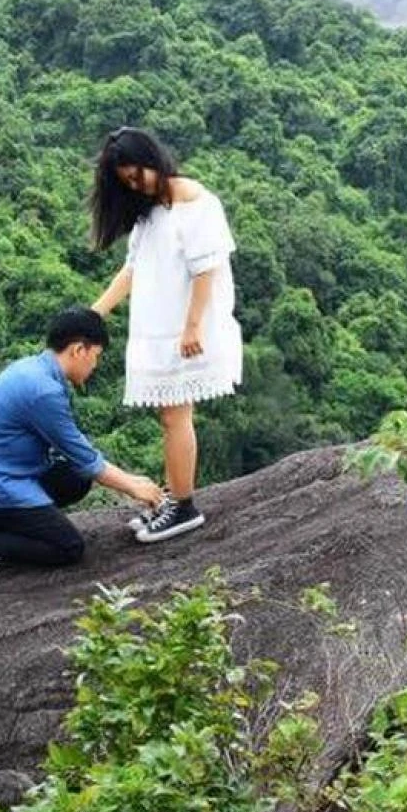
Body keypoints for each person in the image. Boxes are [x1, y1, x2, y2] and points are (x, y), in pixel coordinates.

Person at [0, 308, 164, 591]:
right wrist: (133, 487)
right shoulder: (42, 390)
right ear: (78, 350)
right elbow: (85, 458)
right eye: (96, 355)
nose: (95, 365)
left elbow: (78, 456)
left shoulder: (36, 370)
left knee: (76, 479)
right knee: (68, 548)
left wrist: (132, 480)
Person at [89, 126, 243, 543]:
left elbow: (207, 269)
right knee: (170, 417)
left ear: (151, 159)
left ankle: (184, 505)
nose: (135, 185)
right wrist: (95, 312)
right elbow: (132, 270)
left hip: (185, 329)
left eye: (136, 175)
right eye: (126, 182)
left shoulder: (193, 202)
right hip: (162, 327)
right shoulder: (152, 211)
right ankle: (176, 499)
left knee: (176, 416)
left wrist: (192, 327)